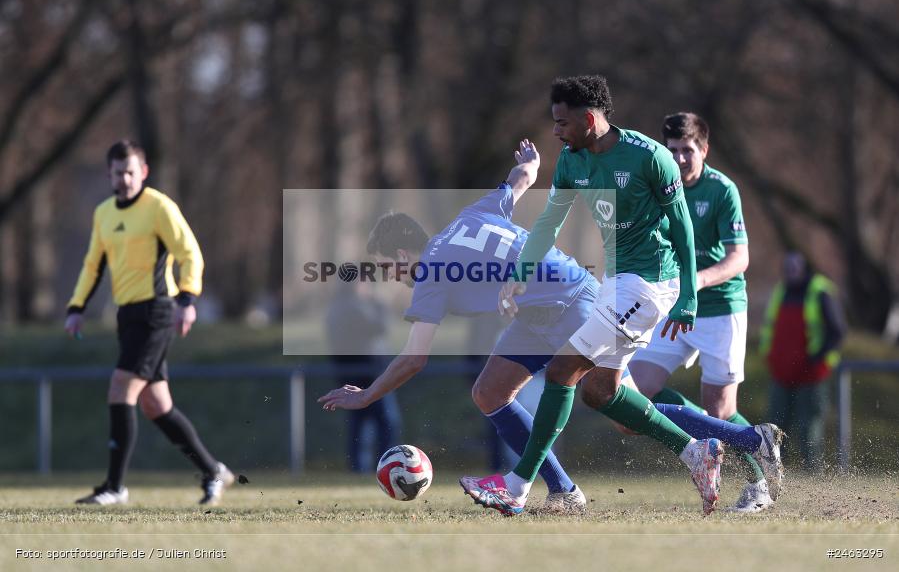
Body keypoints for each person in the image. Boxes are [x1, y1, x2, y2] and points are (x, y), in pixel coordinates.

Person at [318, 137, 780, 515]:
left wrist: (367, 395)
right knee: (490, 392)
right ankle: (564, 491)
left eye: (389, 268)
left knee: (615, 404)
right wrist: (530, 166)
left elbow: (415, 357)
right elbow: (515, 184)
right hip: (541, 305)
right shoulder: (466, 218)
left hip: (573, 297)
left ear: (402, 256)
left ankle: (745, 439)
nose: (392, 278)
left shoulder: (430, 276)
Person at [461, 75, 776, 516]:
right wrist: (520, 273)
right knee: (600, 392)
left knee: (562, 369)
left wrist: (687, 293)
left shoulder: (650, 156)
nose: (555, 131)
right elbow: (550, 221)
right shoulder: (572, 161)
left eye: (562, 122)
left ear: (590, 119)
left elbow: (682, 226)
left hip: (651, 284)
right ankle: (698, 452)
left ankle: (518, 486)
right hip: (617, 282)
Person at [624, 112, 782, 512]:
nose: (678, 159)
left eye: (687, 150)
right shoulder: (655, 187)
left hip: (719, 310)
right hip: (672, 308)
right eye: (671, 150)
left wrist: (695, 282)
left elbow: (739, 258)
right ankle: (710, 438)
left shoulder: (722, 190)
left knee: (722, 409)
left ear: (704, 149)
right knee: (633, 394)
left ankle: (759, 484)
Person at [65, 140, 233, 506]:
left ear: (143, 172)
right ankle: (212, 470)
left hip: (157, 311)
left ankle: (114, 486)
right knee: (156, 404)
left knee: (120, 388)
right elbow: (93, 265)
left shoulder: (158, 207)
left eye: (130, 171)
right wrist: (76, 306)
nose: (124, 179)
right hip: (127, 316)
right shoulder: (104, 213)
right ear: (109, 175)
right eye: (117, 173)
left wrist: (187, 299)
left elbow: (189, 253)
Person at [761, 251, 845, 472]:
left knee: (810, 426)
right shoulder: (781, 291)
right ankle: (775, 471)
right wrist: (770, 357)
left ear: (805, 269)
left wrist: (818, 360)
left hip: (812, 374)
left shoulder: (820, 291)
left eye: (795, 268)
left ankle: (813, 472)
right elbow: (771, 328)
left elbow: (837, 331)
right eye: (787, 268)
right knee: (776, 425)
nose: (790, 273)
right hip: (781, 372)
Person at [325, 282, 401, 472]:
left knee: (360, 427)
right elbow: (380, 326)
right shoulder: (354, 307)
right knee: (387, 423)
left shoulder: (337, 308)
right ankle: (384, 468)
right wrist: (381, 302)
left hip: (356, 374)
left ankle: (362, 470)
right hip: (369, 376)